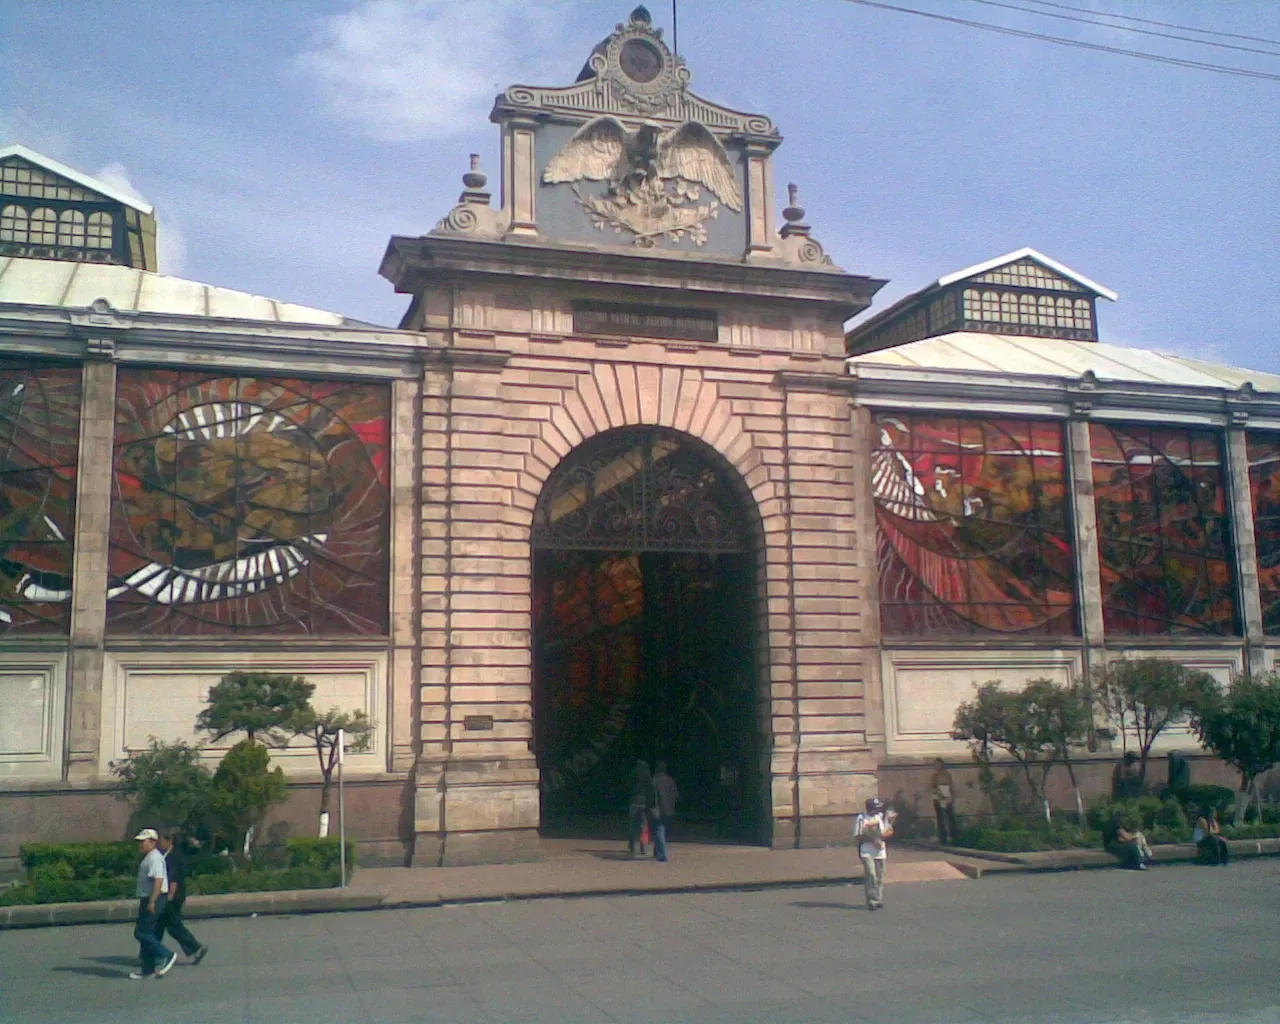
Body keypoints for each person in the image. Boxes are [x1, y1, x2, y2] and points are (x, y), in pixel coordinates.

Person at [129, 828, 178, 980]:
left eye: (143, 841)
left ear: (153, 842)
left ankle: (166, 955)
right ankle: (147, 968)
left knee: (142, 933)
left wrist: (152, 901)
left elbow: (159, 880)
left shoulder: (154, 858)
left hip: (153, 899)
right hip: (149, 898)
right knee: (146, 933)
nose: (141, 844)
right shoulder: (150, 857)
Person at [155, 829, 209, 964]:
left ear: (169, 841)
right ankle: (152, 954)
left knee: (172, 925)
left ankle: (196, 947)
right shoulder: (169, 855)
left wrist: (169, 898)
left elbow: (173, 880)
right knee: (161, 925)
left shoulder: (172, 857)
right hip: (174, 895)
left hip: (173, 896)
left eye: (161, 840)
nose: (159, 843)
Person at [853, 797, 894, 910]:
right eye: (875, 808)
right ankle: (872, 900)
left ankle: (878, 899)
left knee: (880, 877)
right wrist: (872, 838)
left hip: (880, 851)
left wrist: (888, 830)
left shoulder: (880, 817)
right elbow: (858, 836)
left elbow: (886, 832)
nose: (877, 810)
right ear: (869, 808)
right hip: (867, 851)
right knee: (871, 874)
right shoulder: (861, 818)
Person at [649, 761, 679, 863]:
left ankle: (662, 855)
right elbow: (676, 795)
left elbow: (651, 796)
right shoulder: (670, 780)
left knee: (659, 829)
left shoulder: (654, 780)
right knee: (661, 829)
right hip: (669, 809)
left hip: (657, 809)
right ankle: (656, 851)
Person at [930, 758, 958, 844]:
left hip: (947, 796)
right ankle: (943, 838)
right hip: (938, 797)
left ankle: (954, 837)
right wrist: (938, 793)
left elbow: (951, 785)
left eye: (938, 764)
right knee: (940, 818)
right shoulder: (934, 775)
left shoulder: (947, 774)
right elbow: (932, 787)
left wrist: (953, 796)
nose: (937, 766)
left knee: (950, 816)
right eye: (935, 764)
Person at [627, 760, 652, 857]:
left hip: (633, 801)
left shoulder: (633, 776)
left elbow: (627, 787)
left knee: (632, 825)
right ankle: (643, 848)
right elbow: (650, 790)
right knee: (644, 827)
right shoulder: (648, 777)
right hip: (644, 803)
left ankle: (632, 846)